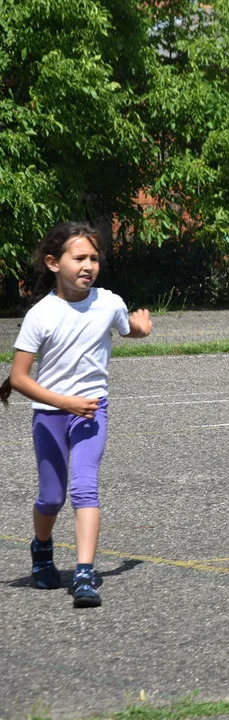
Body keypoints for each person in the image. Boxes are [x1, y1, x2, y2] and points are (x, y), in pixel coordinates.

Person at [0, 222, 153, 607]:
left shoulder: (108, 302)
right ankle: (42, 550)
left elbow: (124, 326)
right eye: (79, 258)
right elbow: (18, 378)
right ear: (53, 262)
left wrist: (142, 328)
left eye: (94, 258)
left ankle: (85, 573)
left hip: (91, 411)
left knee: (84, 487)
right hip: (50, 415)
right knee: (51, 496)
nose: (88, 265)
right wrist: (63, 402)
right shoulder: (42, 314)